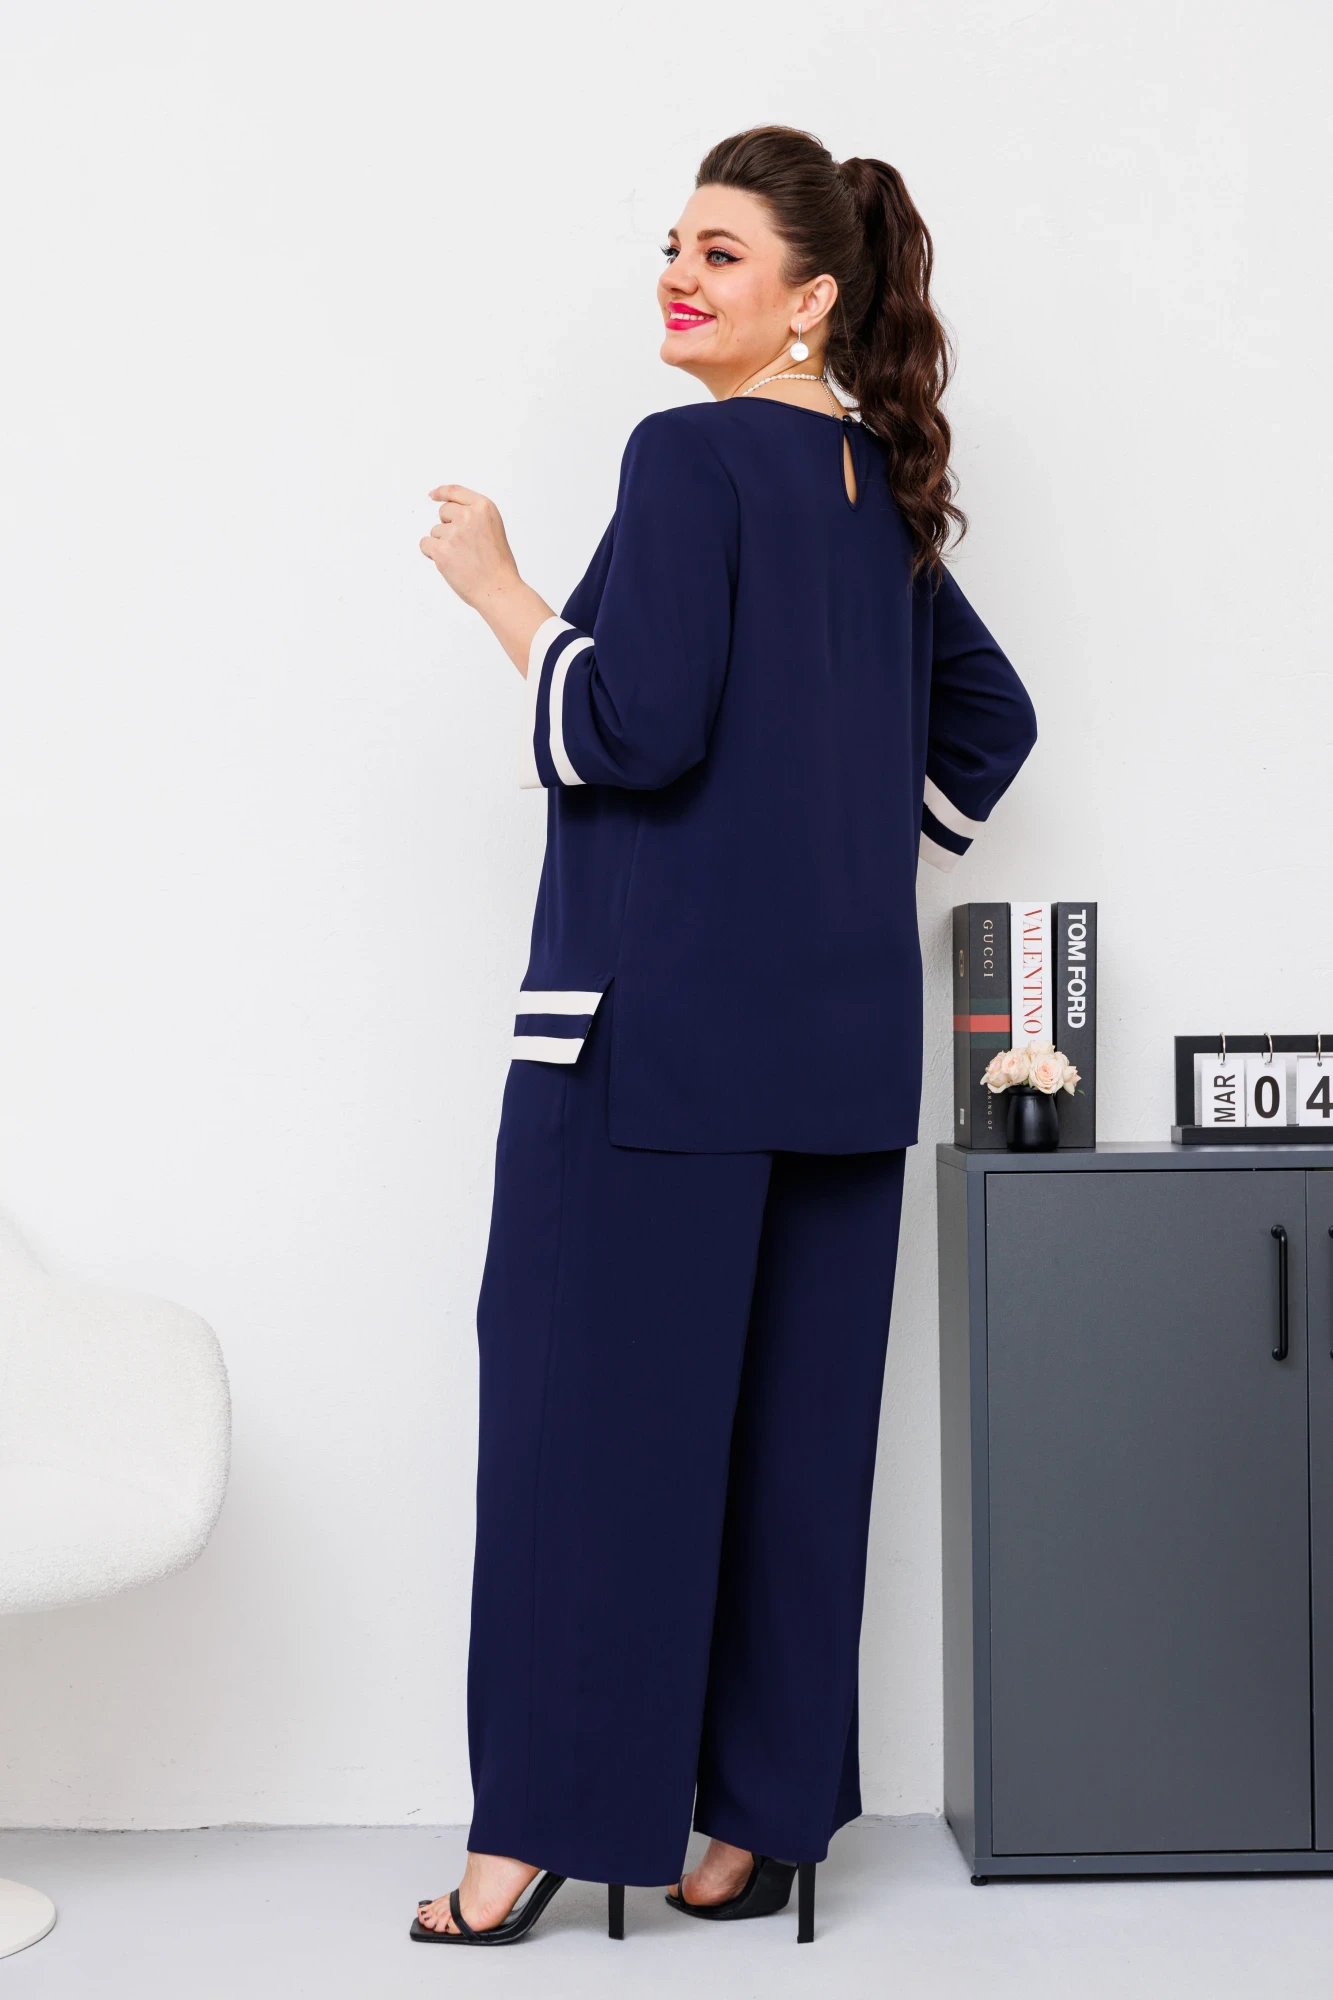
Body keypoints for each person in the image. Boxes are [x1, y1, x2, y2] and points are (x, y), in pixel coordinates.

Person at [411, 123, 1038, 1946]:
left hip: (647, 1059)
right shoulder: (875, 491)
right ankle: (747, 1832)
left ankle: (534, 1840)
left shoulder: (686, 459)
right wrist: (832, 853)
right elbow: (987, 726)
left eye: (722, 253)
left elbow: (637, 725)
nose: (680, 278)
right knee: (791, 1460)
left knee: (580, 1446)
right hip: (837, 1063)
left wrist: (504, 593)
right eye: (673, 247)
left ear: (811, 297)